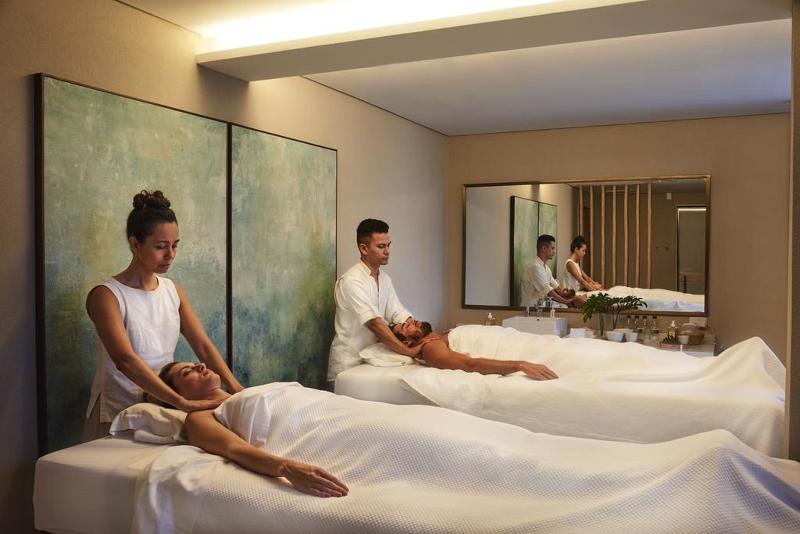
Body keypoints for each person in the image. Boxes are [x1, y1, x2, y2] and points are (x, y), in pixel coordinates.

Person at [84, 190, 243, 440]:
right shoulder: (107, 295)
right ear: (135, 244)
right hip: (117, 412)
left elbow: (202, 346)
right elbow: (125, 360)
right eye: (160, 247)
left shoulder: (172, 290)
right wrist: (181, 402)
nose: (170, 255)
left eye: (175, 245)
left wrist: (237, 390)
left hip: (161, 411)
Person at [161, 361, 350, 498]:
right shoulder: (199, 417)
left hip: (339, 412)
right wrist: (286, 468)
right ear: (178, 395)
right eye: (188, 372)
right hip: (323, 435)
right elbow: (233, 449)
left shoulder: (245, 393)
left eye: (196, 363)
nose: (201, 366)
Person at [327, 219, 419, 382]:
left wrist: (418, 329)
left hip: (371, 360)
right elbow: (374, 323)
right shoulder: (351, 281)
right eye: (381, 246)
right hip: (349, 363)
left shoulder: (384, 279)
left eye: (388, 245)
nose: (387, 251)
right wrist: (408, 351)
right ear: (364, 249)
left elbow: (397, 312)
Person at [390, 320, 558, 380]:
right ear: (407, 342)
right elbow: (470, 365)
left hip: (522, 341)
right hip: (517, 351)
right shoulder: (431, 349)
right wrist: (520, 365)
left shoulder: (439, 337)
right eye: (406, 326)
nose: (411, 321)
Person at [520, 234, 582, 307]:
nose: (554, 251)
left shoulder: (546, 268)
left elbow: (556, 287)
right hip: (531, 308)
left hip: (541, 305)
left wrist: (564, 292)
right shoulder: (534, 267)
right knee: (565, 306)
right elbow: (549, 292)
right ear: (544, 248)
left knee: (571, 303)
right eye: (552, 248)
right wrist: (566, 301)